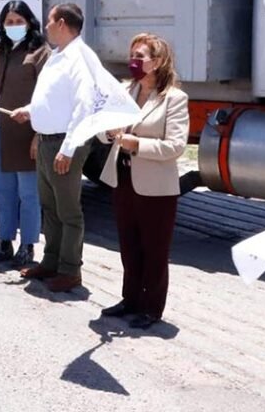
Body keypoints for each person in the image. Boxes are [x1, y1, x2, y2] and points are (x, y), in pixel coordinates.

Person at [96, 33, 188, 329]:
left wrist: (136, 144)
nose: (133, 62)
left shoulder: (174, 98)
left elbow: (175, 146)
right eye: (132, 55)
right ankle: (130, 299)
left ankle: (151, 308)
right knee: (129, 244)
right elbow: (103, 129)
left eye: (140, 57)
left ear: (157, 62)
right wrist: (109, 132)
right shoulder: (125, 90)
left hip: (156, 186)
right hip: (123, 178)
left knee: (154, 249)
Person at [11, 3, 95, 293]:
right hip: (48, 141)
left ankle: (70, 270)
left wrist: (68, 149)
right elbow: (51, 100)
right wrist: (29, 111)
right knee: (50, 207)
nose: (45, 26)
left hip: (64, 143)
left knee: (68, 211)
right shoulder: (57, 56)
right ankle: (51, 262)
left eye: (49, 21)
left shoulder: (79, 58)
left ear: (61, 23)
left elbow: (84, 106)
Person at [0, 0, 50, 267]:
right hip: (0, 132)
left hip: (26, 133)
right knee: (3, 192)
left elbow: (47, 96)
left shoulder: (40, 52)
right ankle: (3, 243)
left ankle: (27, 247)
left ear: (29, 23)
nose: (14, 26)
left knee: (29, 195)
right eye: (9, 22)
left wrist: (38, 134)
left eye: (19, 21)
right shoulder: (1, 49)